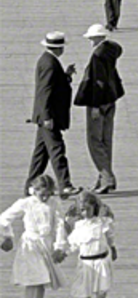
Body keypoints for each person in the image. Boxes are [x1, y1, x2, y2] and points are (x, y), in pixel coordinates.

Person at [0, 174, 67, 298]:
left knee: (42, 281)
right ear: (34, 190)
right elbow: (3, 219)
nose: (44, 197)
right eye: (41, 193)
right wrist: (7, 237)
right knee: (33, 280)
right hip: (30, 245)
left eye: (47, 194)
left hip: (46, 245)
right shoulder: (26, 203)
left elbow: (60, 225)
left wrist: (60, 246)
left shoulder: (54, 204)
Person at [25, 32, 79, 199]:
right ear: (59, 48)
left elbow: (53, 86)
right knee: (57, 150)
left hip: (45, 117)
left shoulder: (48, 61)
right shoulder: (49, 63)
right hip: (49, 117)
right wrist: (47, 116)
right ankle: (65, 185)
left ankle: (29, 188)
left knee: (40, 155)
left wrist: (66, 76)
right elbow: (45, 91)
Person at [73, 24, 125, 194]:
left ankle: (107, 177)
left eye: (91, 38)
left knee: (94, 141)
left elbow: (98, 83)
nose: (89, 40)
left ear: (97, 38)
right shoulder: (112, 50)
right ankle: (102, 178)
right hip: (111, 99)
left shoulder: (97, 55)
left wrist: (95, 105)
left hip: (99, 102)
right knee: (106, 141)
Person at [67, 190, 117, 298]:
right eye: (82, 210)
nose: (85, 213)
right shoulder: (79, 226)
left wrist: (113, 248)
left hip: (101, 260)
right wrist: (62, 252)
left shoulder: (103, 223)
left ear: (94, 208)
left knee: (102, 292)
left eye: (88, 209)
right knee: (84, 295)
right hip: (86, 262)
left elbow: (110, 237)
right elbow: (73, 244)